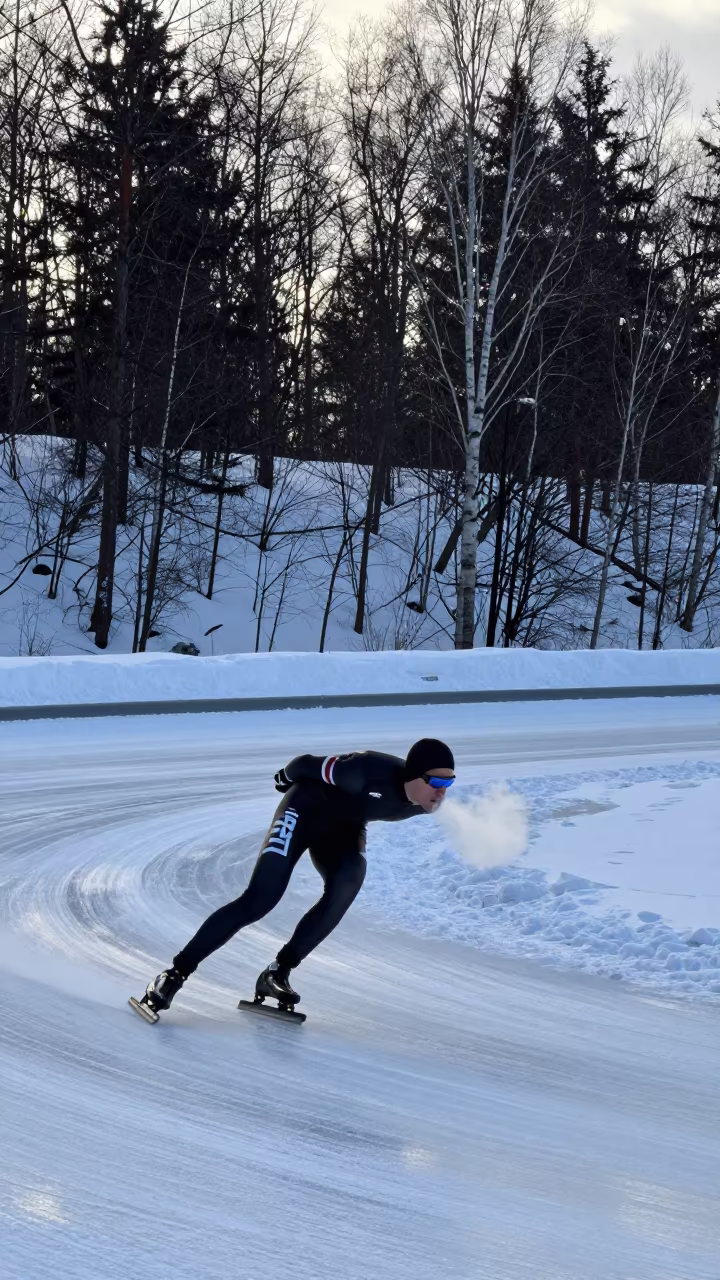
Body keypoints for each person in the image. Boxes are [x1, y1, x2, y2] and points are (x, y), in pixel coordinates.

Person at [133, 737, 455, 1018]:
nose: (441, 793)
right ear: (413, 775)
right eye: (436, 783)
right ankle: (173, 975)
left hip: (343, 828)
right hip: (303, 810)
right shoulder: (364, 771)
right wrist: (284, 778)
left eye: (448, 784)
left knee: (349, 879)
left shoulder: (424, 803)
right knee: (261, 898)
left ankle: (277, 973)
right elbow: (303, 764)